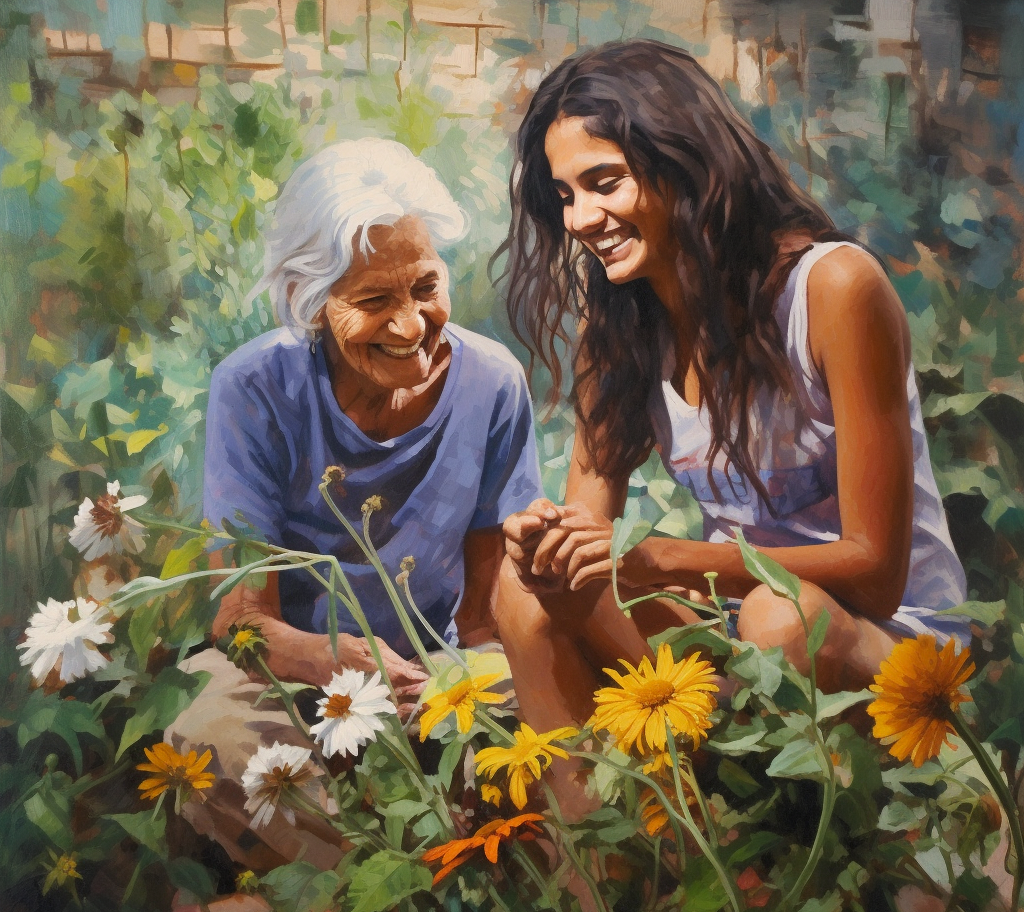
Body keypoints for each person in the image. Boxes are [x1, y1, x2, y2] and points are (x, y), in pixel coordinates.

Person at [494, 40, 969, 791]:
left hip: (885, 646)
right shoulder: (618, 321)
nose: (581, 218)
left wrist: (673, 561)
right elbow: (593, 535)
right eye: (564, 195)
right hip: (734, 616)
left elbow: (875, 572)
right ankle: (602, 877)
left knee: (779, 620)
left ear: (683, 161)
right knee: (525, 593)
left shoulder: (833, 288)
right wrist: (551, 549)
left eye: (604, 183)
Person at [166, 139, 544, 868]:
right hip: (292, 677)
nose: (410, 326)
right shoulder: (254, 389)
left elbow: (485, 617)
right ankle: (399, 878)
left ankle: (401, 871)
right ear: (314, 304)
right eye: (373, 302)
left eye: (426, 288)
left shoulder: (493, 383)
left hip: (436, 676)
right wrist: (334, 662)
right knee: (204, 735)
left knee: (544, 709)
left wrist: (460, 686)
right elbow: (241, 626)